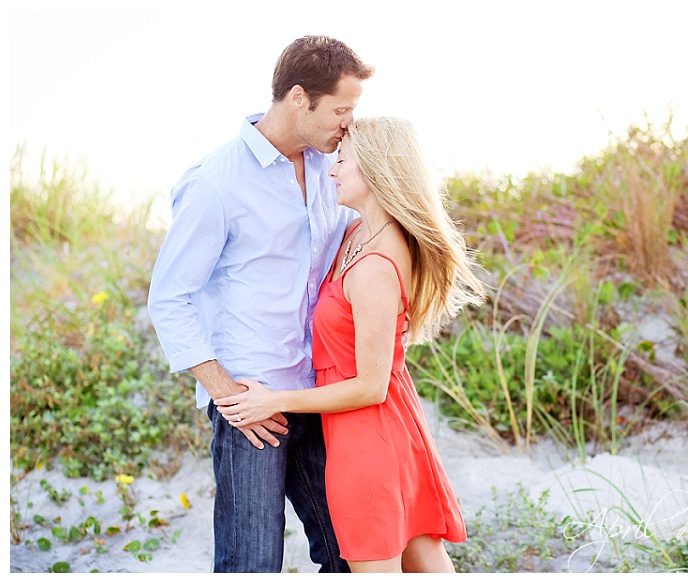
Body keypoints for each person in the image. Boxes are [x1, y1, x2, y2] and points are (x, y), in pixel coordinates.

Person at [214, 116, 487, 573]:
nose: (333, 170)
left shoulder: (375, 264)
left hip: (367, 439)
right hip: (390, 427)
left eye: (342, 160)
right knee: (424, 562)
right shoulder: (357, 232)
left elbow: (370, 386)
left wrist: (273, 400)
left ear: (376, 170)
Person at [147, 36, 374, 573]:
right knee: (252, 563)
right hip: (251, 406)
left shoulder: (332, 169)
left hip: (318, 395)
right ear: (300, 97)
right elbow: (169, 298)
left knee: (350, 553)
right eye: (341, 110)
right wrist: (228, 396)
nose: (349, 125)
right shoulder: (215, 183)